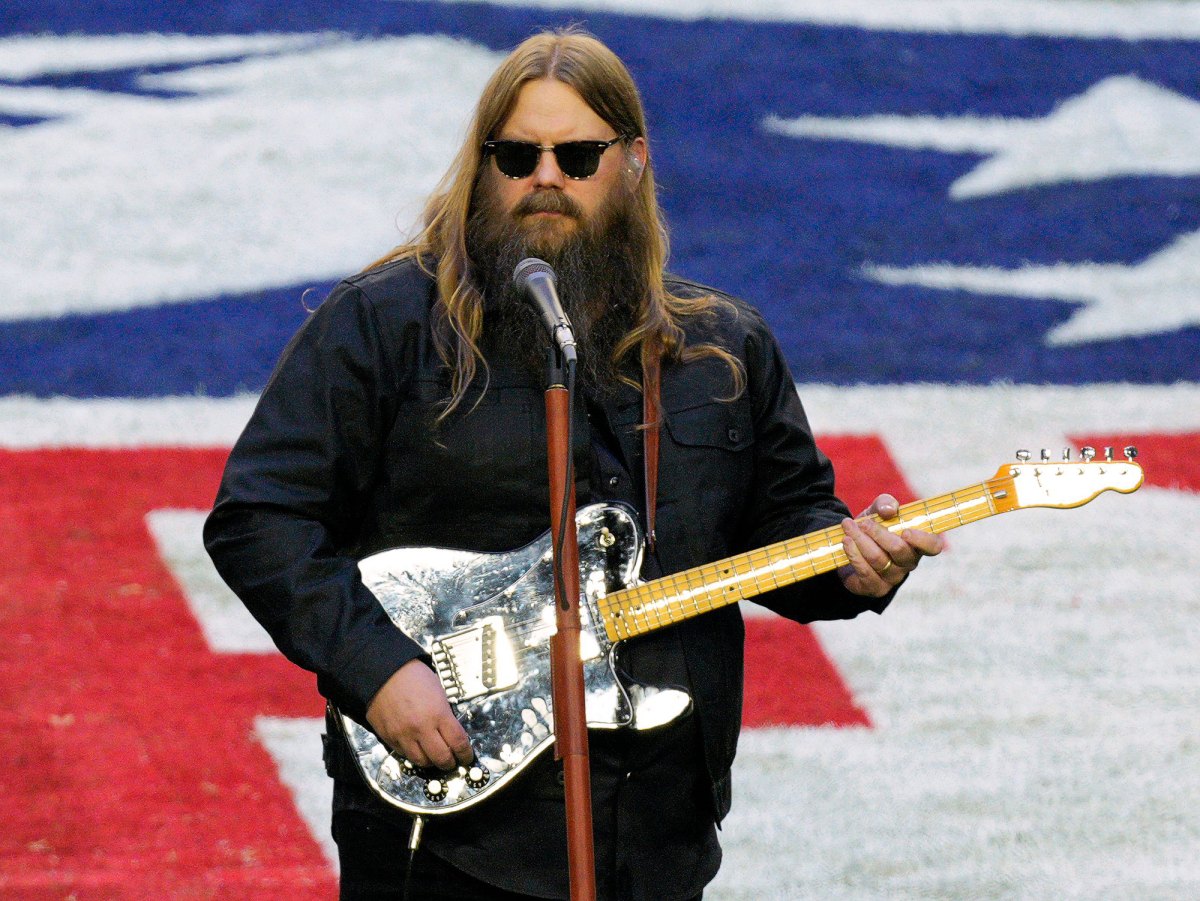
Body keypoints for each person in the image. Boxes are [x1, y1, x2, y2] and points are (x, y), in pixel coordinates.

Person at [204, 28, 943, 901]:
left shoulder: (722, 350)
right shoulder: (385, 327)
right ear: (483, 167)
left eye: (577, 154)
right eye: (517, 154)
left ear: (631, 162)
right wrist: (376, 668)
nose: (544, 176)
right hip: (443, 835)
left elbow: (786, 522)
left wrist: (856, 564)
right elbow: (259, 517)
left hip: (654, 830)